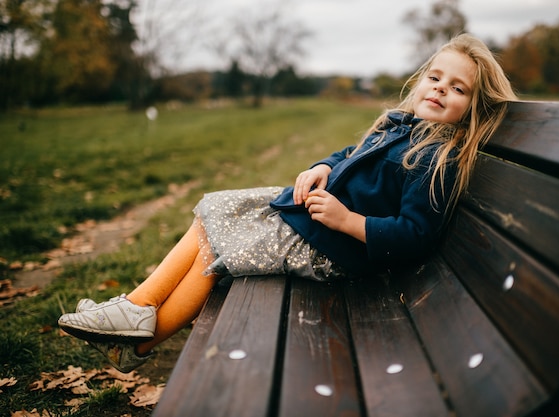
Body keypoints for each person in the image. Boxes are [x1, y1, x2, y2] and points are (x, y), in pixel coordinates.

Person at [58, 33, 517, 373]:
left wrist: (349, 221)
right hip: (315, 226)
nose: (439, 89)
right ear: (421, 80)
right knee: (215, 215)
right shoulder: (401, 126)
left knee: (217, 242)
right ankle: (138, 316)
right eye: (435, 77)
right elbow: (348, 157)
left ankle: (140, 323)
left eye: (458, 88)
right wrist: (321, 166)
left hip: (331, 246)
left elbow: (414, 236)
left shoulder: (435, 159)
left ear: (474, 107)